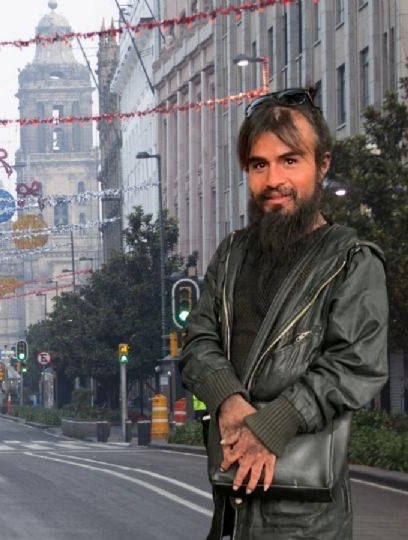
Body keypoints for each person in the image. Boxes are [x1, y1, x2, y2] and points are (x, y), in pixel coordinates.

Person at [180, 87, 389, 539]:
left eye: (290, 160)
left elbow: (354, 365)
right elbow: (198, 339)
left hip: (306, 518)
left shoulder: (353, 259)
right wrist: (228, 398)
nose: (274, 179)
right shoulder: (232, 253)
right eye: (259, 164)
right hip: (231, 505)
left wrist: (272, 425)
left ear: (323, 164)